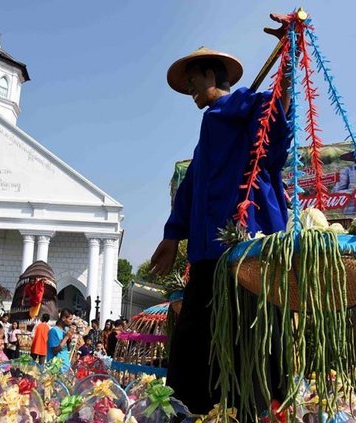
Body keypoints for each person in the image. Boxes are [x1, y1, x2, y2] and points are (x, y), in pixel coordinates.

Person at [149, 14, 292, 414]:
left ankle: (258, 409)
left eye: (193, 82)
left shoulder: (249, 104)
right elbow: (191, 188)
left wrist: (290, 53)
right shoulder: (208, 130)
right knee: (195, 339)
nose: (190, 91)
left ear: (211, 74)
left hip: (250, 246)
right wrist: (172, 235)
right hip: (209, 255)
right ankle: (199, 411)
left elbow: (278, 122)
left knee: (253, 334)